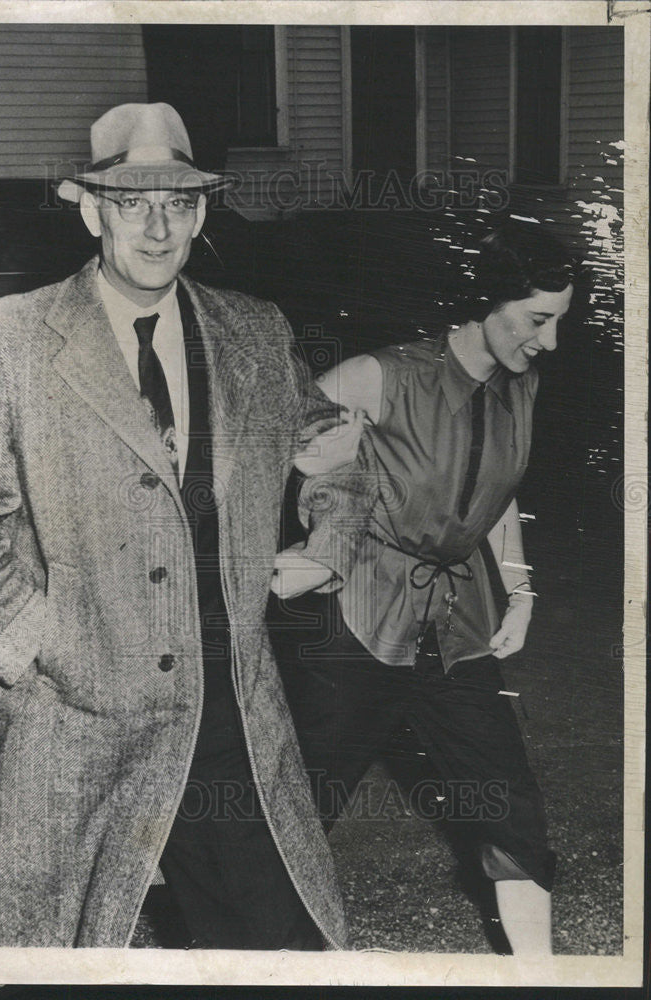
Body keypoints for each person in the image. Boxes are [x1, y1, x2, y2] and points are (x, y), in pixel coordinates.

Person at [0, 103, 372, 949]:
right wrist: (53, 645)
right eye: (132, 203)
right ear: (89, 209)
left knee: (288, 950)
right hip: (70, 726)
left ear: (202, 211)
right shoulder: (7, 342)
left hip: (228, 714)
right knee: (44, 961)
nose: (158, 228)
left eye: (180, 204)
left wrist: (327, 543)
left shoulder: (254, 333)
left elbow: (332, 452)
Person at [271, 223, 580, 955]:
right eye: (539, 320)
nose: (551, 342)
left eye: (561, 323)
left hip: (460, 624)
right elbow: (272, 439)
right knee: (300, 800)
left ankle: (538, 975)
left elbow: (498, 493)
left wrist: (523, 589)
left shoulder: (521, 385)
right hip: (359, 619)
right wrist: (303, 545)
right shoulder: (385, 374)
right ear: (487, 301)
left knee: (508, 802)